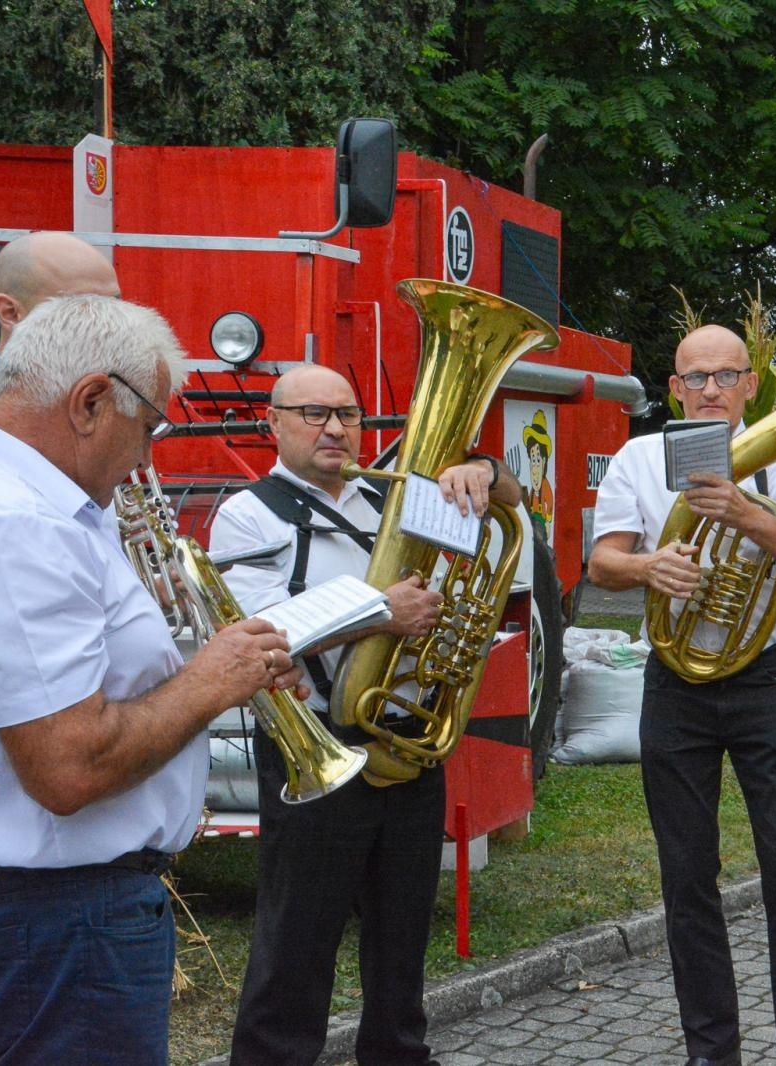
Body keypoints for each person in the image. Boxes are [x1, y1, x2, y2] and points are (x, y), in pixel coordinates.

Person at [0, 294, 303, 1065]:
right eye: (147, 428)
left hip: (24, 924)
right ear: (90, 402)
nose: (145, 459)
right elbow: (69, 764)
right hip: (50, 932)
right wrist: (214, 679)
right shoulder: (20, 526)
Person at [216, 363, 521, 1066]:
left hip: (408, 742)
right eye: (312, 413)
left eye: (347, 415)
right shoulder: (248, 512)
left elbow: (515, 511)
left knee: (402, 937)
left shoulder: (392, 500)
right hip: (318, 745)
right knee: (298, 942)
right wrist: (381, 615)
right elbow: (255, 629)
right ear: (274, 422)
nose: (333, 428)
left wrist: (481, 468)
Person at [588, 324, 776, 1066]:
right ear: (672, 389)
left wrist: (748, 514)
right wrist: (650, 569)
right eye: (695, 378)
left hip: (766, 676)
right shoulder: (637, 458)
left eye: (725, 376)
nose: (709, 390)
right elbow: (603, 564)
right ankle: (711, 1053)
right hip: (676, 684)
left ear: (750, 384)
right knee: (688, 877)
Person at [0, 231, 121, 436]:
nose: (107, 325)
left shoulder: (115, 405)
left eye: (116, 306)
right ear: (10, 313)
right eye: (79, 307)